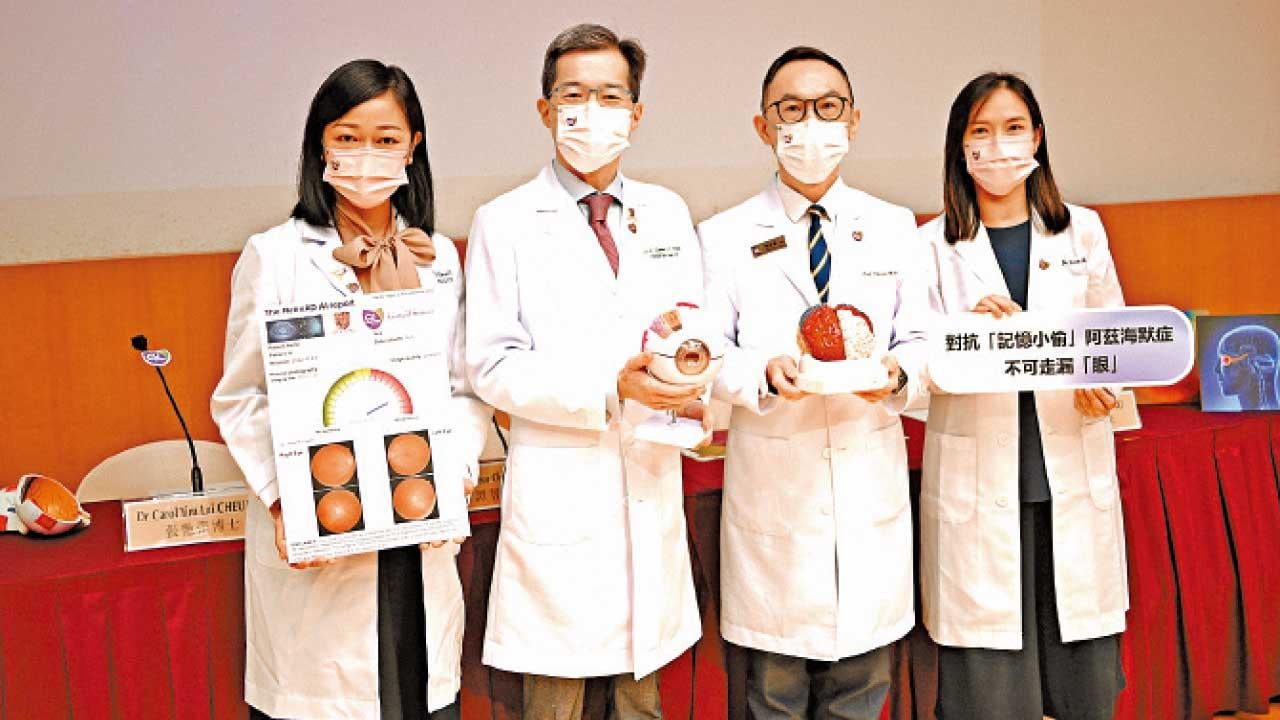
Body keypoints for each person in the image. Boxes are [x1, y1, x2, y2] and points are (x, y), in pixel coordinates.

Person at [211, 59, 490, 720]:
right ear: (321, 145)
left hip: (416, 525)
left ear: (413, 147)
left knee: (416, 691)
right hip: (323, 522)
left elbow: (462, 389)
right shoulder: (275, 255)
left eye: (386, 139)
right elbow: (241, 397)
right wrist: (285, 499)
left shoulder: (436, 258)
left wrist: (449, 477)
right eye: (347, 137)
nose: (367, 155)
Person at [464, 22, 706, 720]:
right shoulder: (504, 221)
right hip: (559, 496)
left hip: (649, 476)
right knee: (556, 703)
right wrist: (608, 387)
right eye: (574, 96)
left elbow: (692, 330)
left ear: (636, 112)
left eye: (610, 96)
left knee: (641, 701)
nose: (592, 111)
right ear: (545, 110)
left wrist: (692, 375)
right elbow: (491, 365)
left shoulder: (666, 212)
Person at [697, 46, 930, 719]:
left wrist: (897, 374)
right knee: (774, 693)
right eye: (791, 110)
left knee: (862, 688)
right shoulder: (723, 234)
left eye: (827, 107)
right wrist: (761, 373)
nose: (810, 124)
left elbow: (921, 340)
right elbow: (707, 350)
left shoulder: (894, 227)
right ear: (762, 126)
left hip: (867, 480)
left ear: (853, 120)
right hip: (777, 491)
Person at [917, 72, 1127, 720]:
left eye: (1013, 128)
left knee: (1083, 684)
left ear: (1037, 137)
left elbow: (1112, 340)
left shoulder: (1082, 231)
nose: (999, 145)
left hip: (1069, 475)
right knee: (992, 692)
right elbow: (916, 365)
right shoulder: (929, 245)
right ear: (960, 147)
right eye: (981, 131)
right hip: (980, 485)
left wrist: (1104, 384)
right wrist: (969, 337)